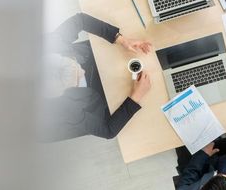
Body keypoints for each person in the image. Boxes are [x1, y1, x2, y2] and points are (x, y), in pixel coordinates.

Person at [39, 13, 154, 141]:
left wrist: (121, 40)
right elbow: (108, 130)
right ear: (63, 91)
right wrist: (136, 96)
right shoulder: (65, 109)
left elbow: (81, 20)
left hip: (100, 56)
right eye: (77, 79)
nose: (83, 72)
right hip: (102, 95)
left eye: (75, 64)